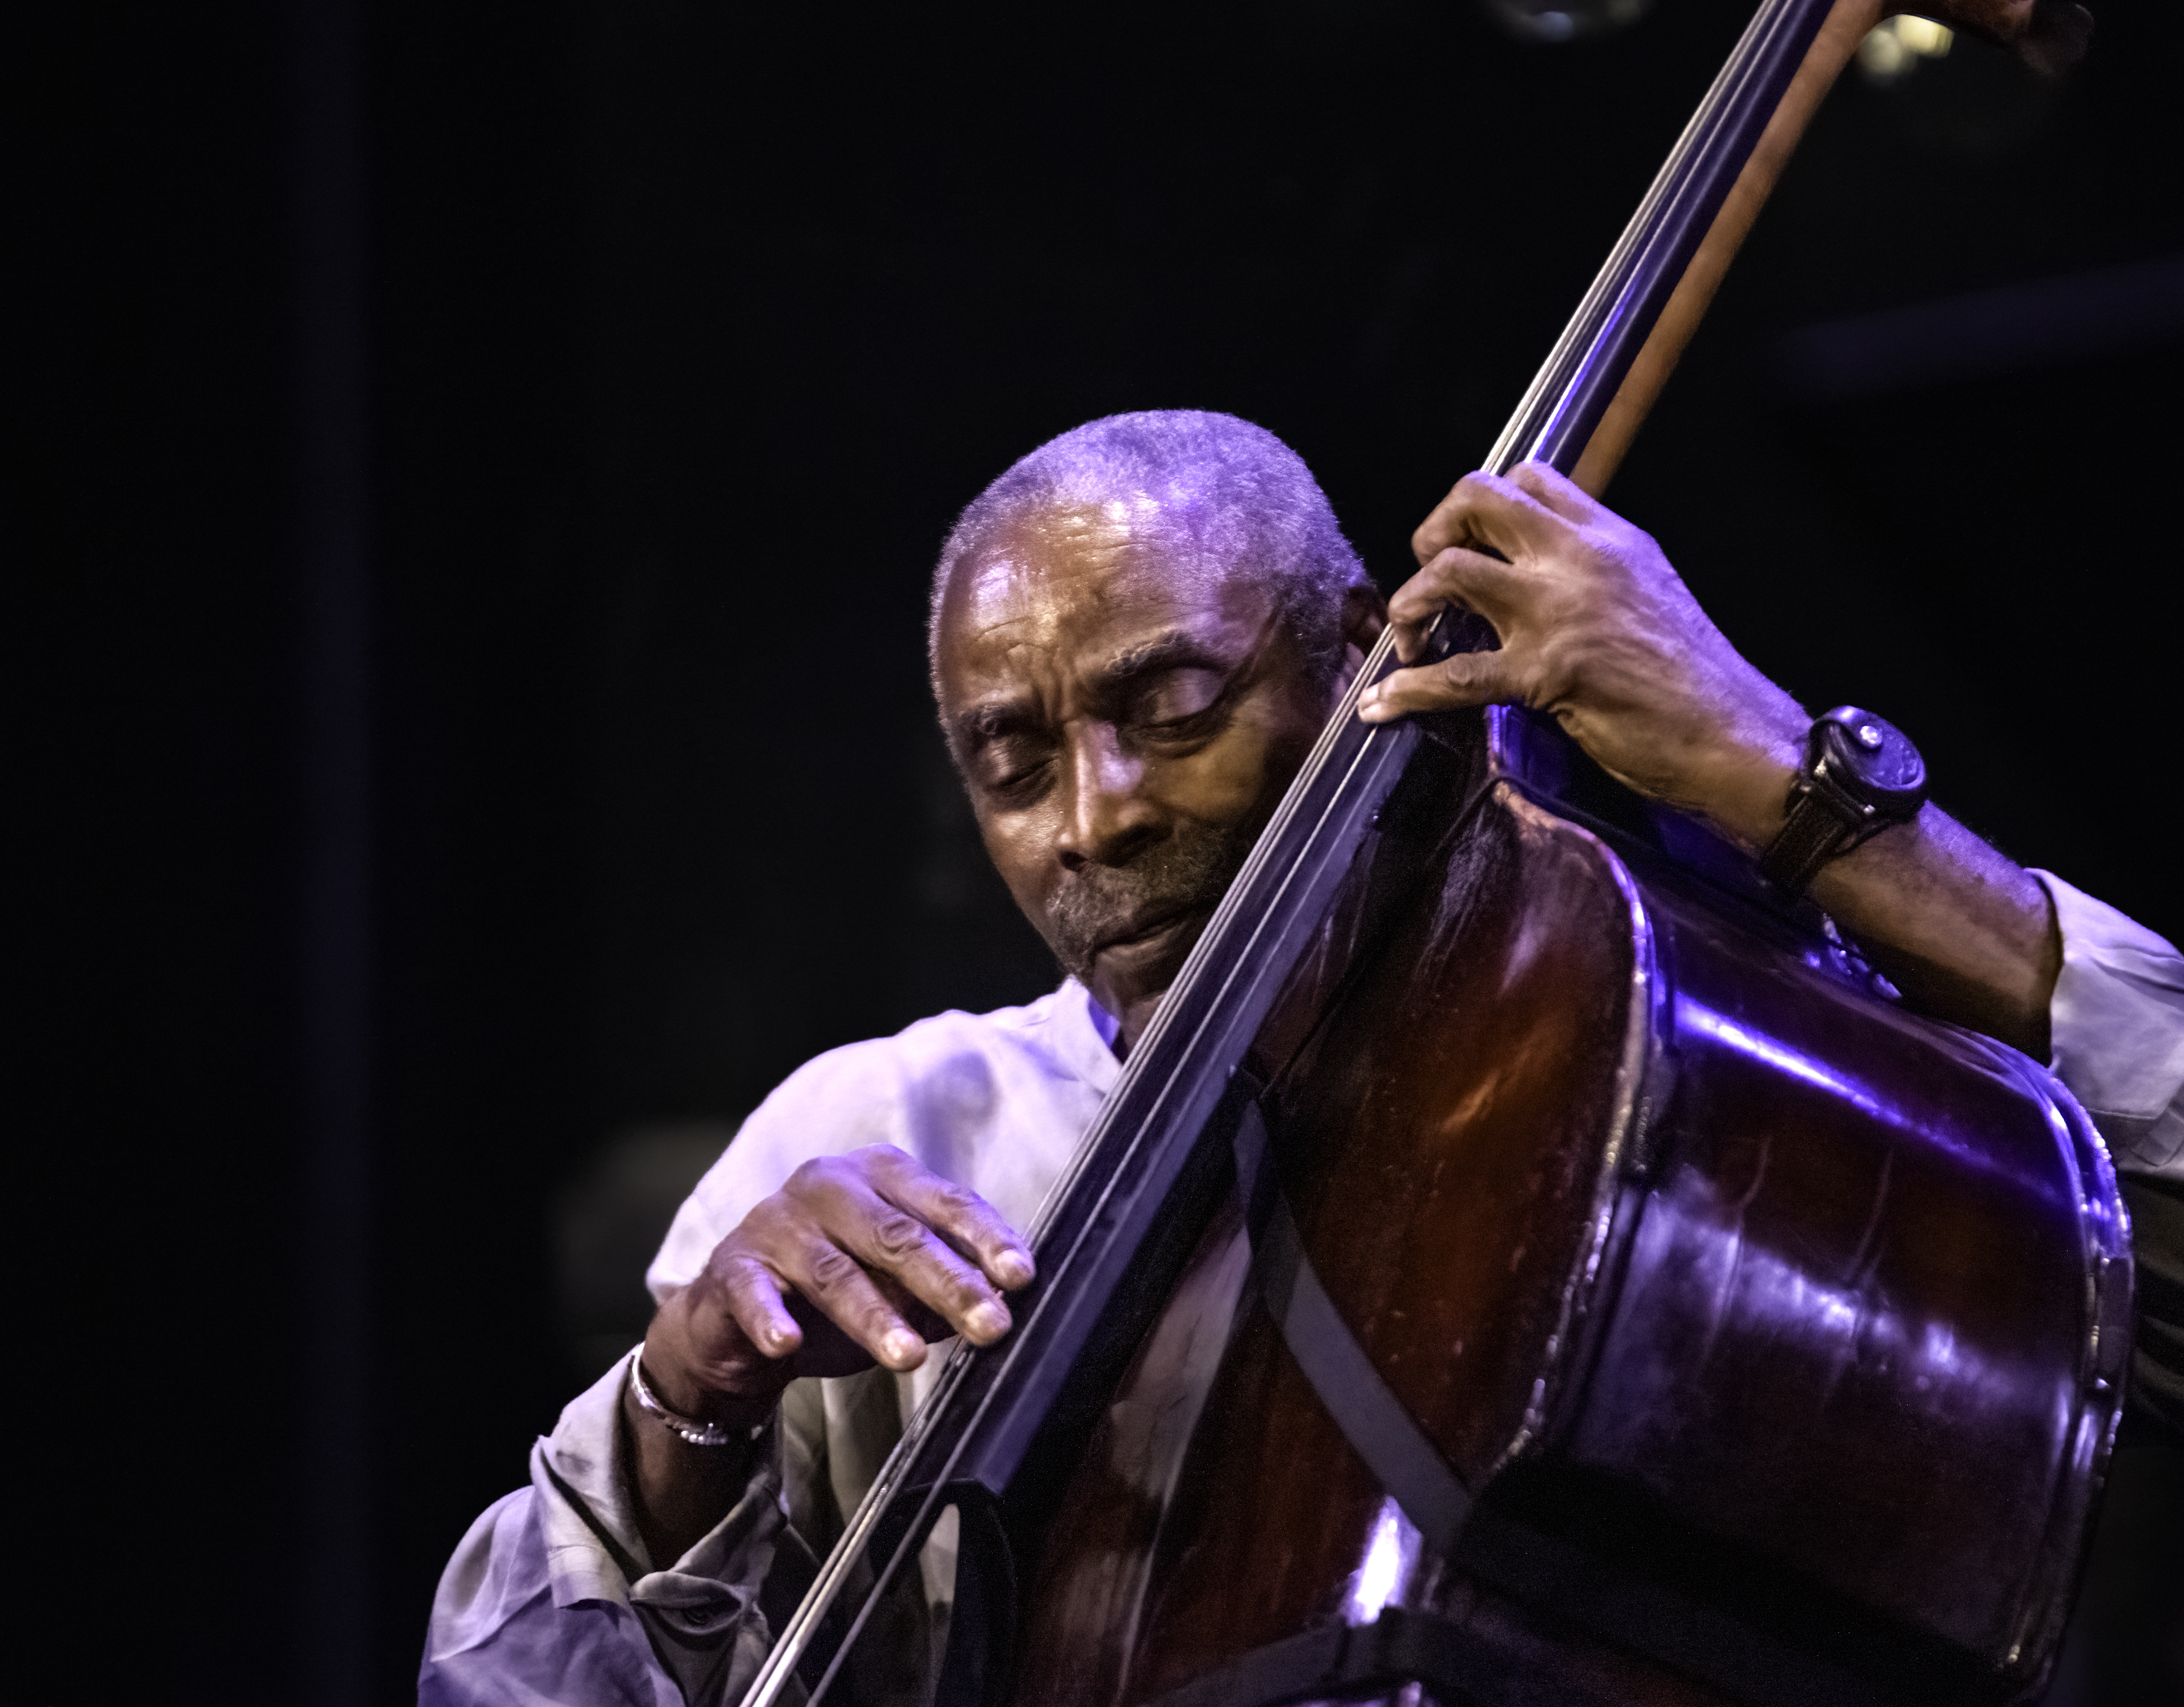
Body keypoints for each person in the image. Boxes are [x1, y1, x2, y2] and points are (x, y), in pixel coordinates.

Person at [419, 410, 2184, 1706]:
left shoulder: (1672, 1032)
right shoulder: (900, 1129)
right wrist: (684, 1399)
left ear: (1357, 653)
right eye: (1014, 762)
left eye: (1170, 711)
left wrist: (1772, 773)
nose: (1094, 821)